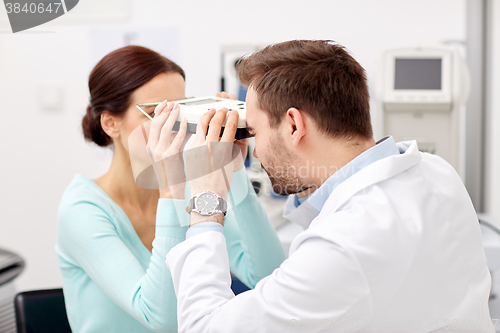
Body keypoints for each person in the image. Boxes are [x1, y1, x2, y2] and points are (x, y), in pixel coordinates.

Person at [163, 40, 494, 332]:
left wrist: (206, 199)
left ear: (294, 124)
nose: (256, 149)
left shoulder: (344, 245)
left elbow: (202, 326)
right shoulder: (435, 171)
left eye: (255, 131)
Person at [55, 45, 285, 333]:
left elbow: (269, 276)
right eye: (156, 114)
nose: (176, 125)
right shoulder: (81, 210)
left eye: (182, 110)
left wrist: (233, 167)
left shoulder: (192, 191)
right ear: (111, 123)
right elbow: (162, 319)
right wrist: (172, 189)